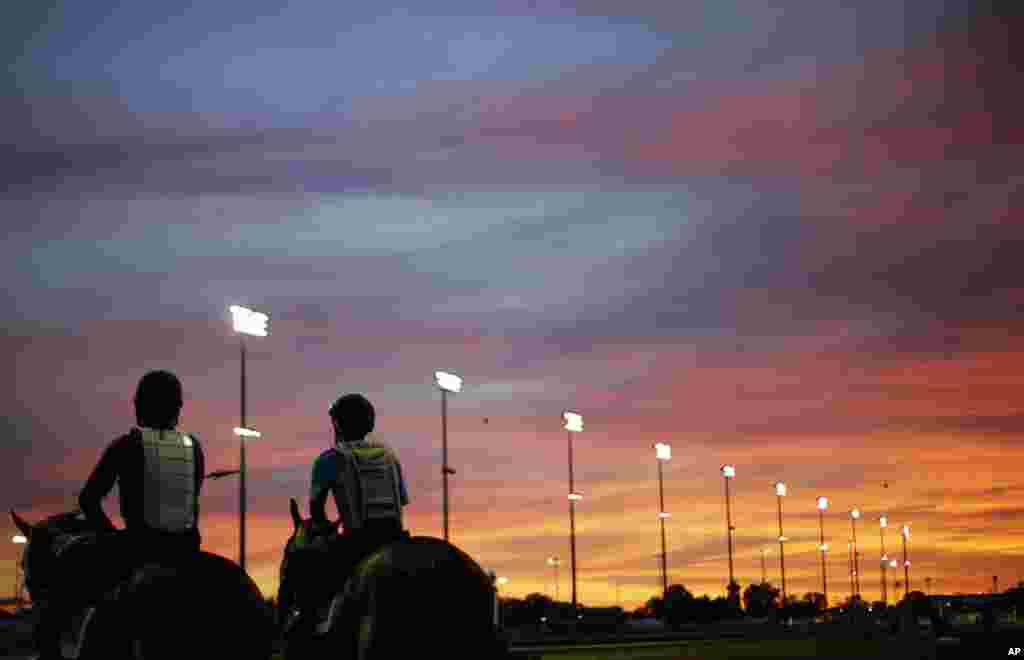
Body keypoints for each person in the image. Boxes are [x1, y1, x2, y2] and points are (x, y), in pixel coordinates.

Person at [33, 370, 205, 660]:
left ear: (142, 405)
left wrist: (110, 534)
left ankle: (49, 650)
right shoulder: (195, 448)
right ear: (178, 408)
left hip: (139, 546)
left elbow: (88, 500)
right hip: (186, 549)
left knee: (67, 564)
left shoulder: (125, 445)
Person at [308, 393, 409, 599]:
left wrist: (328, 530)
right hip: (397, 540)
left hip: (356, 545)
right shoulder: (390, 457)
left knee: (314, 585)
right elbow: (402, 501)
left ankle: (317, 624)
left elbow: (317, 515)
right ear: (370, 425)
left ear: (337, 425)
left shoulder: (328, 459)